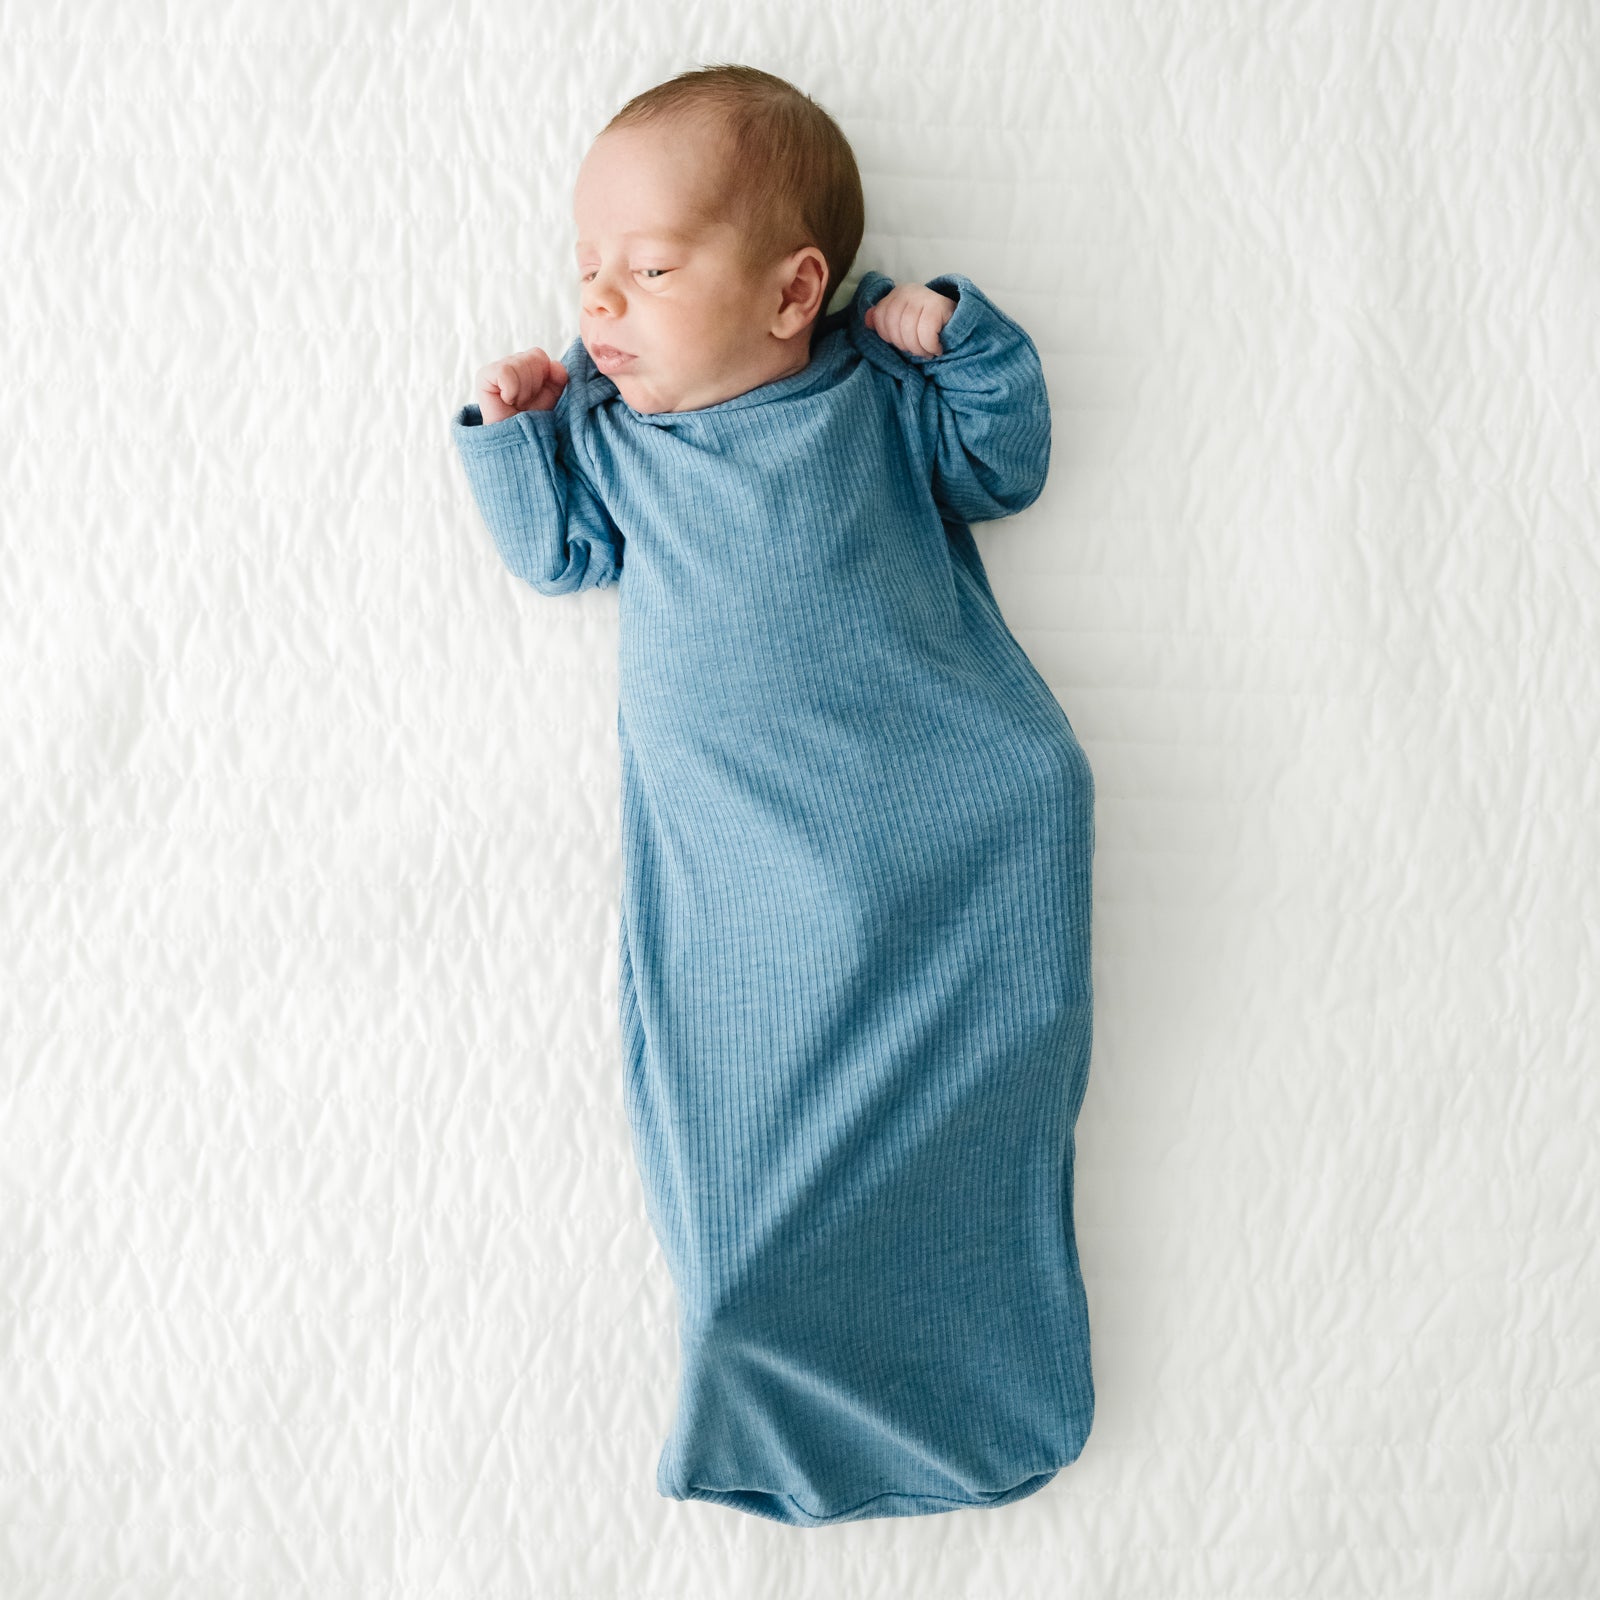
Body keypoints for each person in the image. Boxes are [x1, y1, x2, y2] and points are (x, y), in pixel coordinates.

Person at [449, 63, 1097, 1528]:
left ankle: (988, 1361)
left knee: (963, 1094)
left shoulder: (874, 404)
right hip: (745, 869)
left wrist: (959, 339)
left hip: (951, 811)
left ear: (793, 289)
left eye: (650, 269)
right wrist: (508, 437)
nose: (601, 305)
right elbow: (557, 553)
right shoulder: (619, 441)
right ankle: (761, 1375)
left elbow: (1006, 459)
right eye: (588, 273)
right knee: (744, 1147)